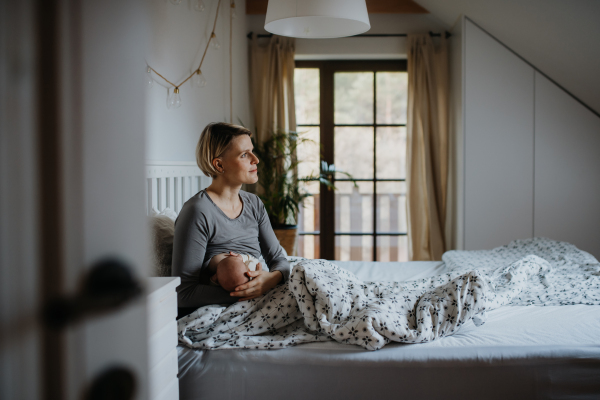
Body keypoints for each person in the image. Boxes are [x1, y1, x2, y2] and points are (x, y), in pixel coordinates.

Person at [172, 122, 290, 317]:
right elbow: (183, 293)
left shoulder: (254, 204)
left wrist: (271, 279)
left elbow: (279, 260)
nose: (256, 160)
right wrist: (248, 293)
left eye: (252, 152)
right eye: (244, 155)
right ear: (219, 164)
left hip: (263, 291)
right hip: (234, 306)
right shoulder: (197, 212)